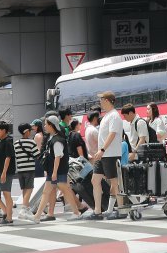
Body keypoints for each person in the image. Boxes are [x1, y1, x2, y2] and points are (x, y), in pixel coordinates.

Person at [83, 91, 124, 220]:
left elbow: (112, 134)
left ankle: (122, 210)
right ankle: (97, 211)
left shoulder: (114, 116)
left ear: (107, 100)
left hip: (110, 154)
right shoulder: (107, 116)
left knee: (114, 182)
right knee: (95, 180)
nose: (100, 102)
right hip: (103, 154)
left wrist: (102, 149)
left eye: (101, 100)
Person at [37, 116, 84, 221]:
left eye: (46, 124)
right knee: (55, 191)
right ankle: (37, 216)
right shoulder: (52, 138)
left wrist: (54, 173)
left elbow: (58, 157)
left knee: (65, 190)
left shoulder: (57, 140)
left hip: (57, 171)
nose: (44, 126)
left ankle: (76, 212)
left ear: (51, 125)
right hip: (54, 171)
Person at [14, 123, 39, 210]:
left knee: (24, 189)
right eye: (29, 131)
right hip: (29, 169)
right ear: (26, 132)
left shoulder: (16, 143)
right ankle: (24, 208)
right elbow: (37, 155)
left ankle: (27, 207)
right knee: (29, 189)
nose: (30, 133)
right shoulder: (31, 142)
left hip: (20, 169)